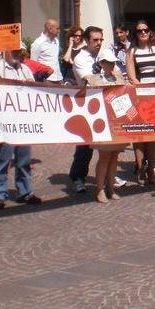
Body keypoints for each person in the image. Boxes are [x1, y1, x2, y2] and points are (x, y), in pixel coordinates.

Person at [0, 49, 42, 207]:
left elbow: (34, 91)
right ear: (5, 51)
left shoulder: (25, 69)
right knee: (3, 158)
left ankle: (25, 192)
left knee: (24, 158)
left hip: (23, 121)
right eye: (14, 51)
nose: (17, 55)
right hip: (5, 122)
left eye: (19, 52)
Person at [127, 20, 155, 186]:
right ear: (135, 33)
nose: (143, 33)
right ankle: (140, 168)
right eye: (139, 31)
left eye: (146, 30)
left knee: (152, 135)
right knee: (138, 134)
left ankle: (151, 169)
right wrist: (141, 88)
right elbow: (131, 75)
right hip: (139, 92)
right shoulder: (132, 51)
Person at [86, 46, 128, 203]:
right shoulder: (93, 80)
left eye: (113, 62)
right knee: (104, 156)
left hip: (117, 122)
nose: (111, 65)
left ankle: (111, 187)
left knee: (115, 155)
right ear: (101, 63)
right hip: (102, 123)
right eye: (108, 62)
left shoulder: (119, 78)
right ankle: (100, 189)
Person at [68, 26, 103, 193]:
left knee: (108, 143)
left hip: (104, 102)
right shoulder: (80, 58)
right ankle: (78, 177)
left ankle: (106, 176)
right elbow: (89, 79)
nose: (99, 43)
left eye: (101, 39)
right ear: (87, 40)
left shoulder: (104, 55)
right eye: (95, 40)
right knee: (85, 145)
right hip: (87, 104)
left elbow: (117, 73)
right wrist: (109, 76)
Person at [30, 19, 63, 83]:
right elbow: (33, 63)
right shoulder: (38, 43)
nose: (59, 31)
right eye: (57, 29)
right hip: (46, 79)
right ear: (50, 29)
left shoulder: (56, 41)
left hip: (58, 78)